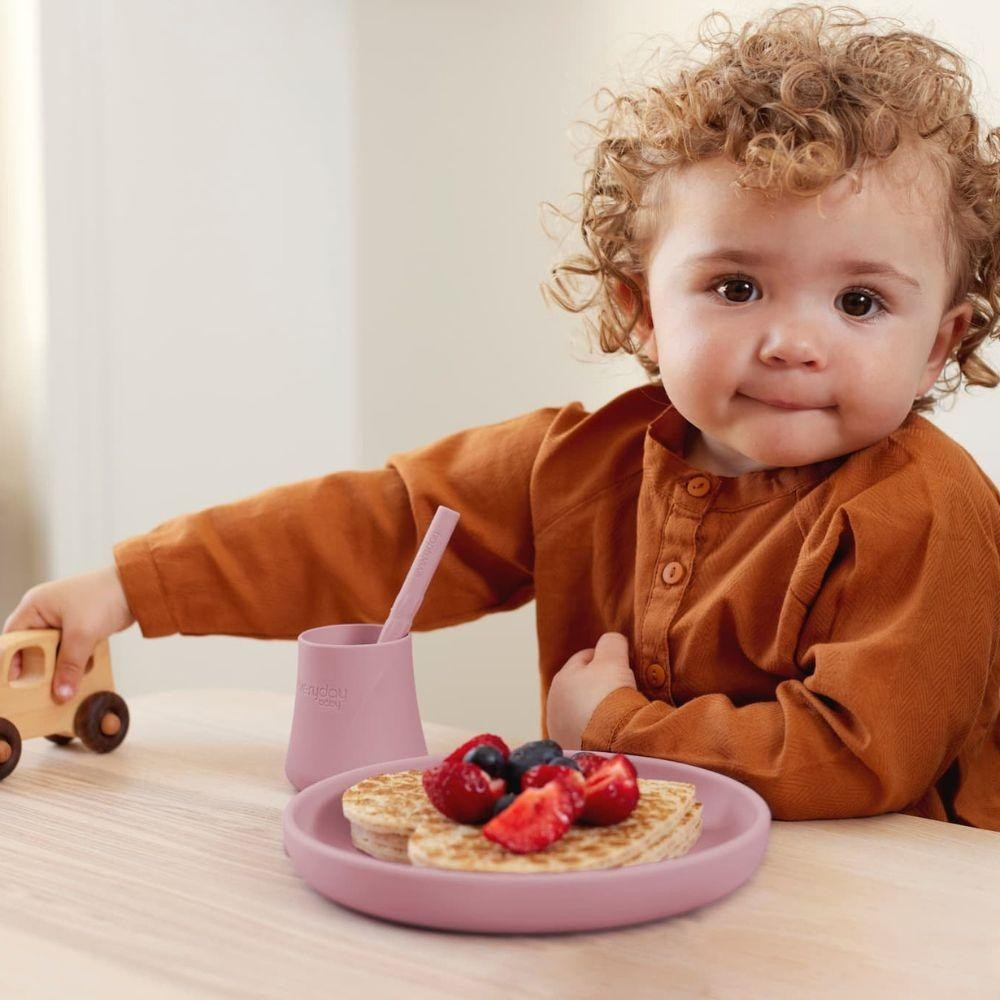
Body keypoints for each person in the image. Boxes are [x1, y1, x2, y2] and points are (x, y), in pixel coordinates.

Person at [5, 4, 999, 829]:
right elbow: (375, 527)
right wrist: (132, 584)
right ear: (640, 310)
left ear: (941, 339)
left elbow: (856, 757)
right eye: (736, 287)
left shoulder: (928, 514)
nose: (792, 340)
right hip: (657, 901)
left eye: (859, 303)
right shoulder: (575, 463)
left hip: (894, 920)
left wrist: (615, 724)